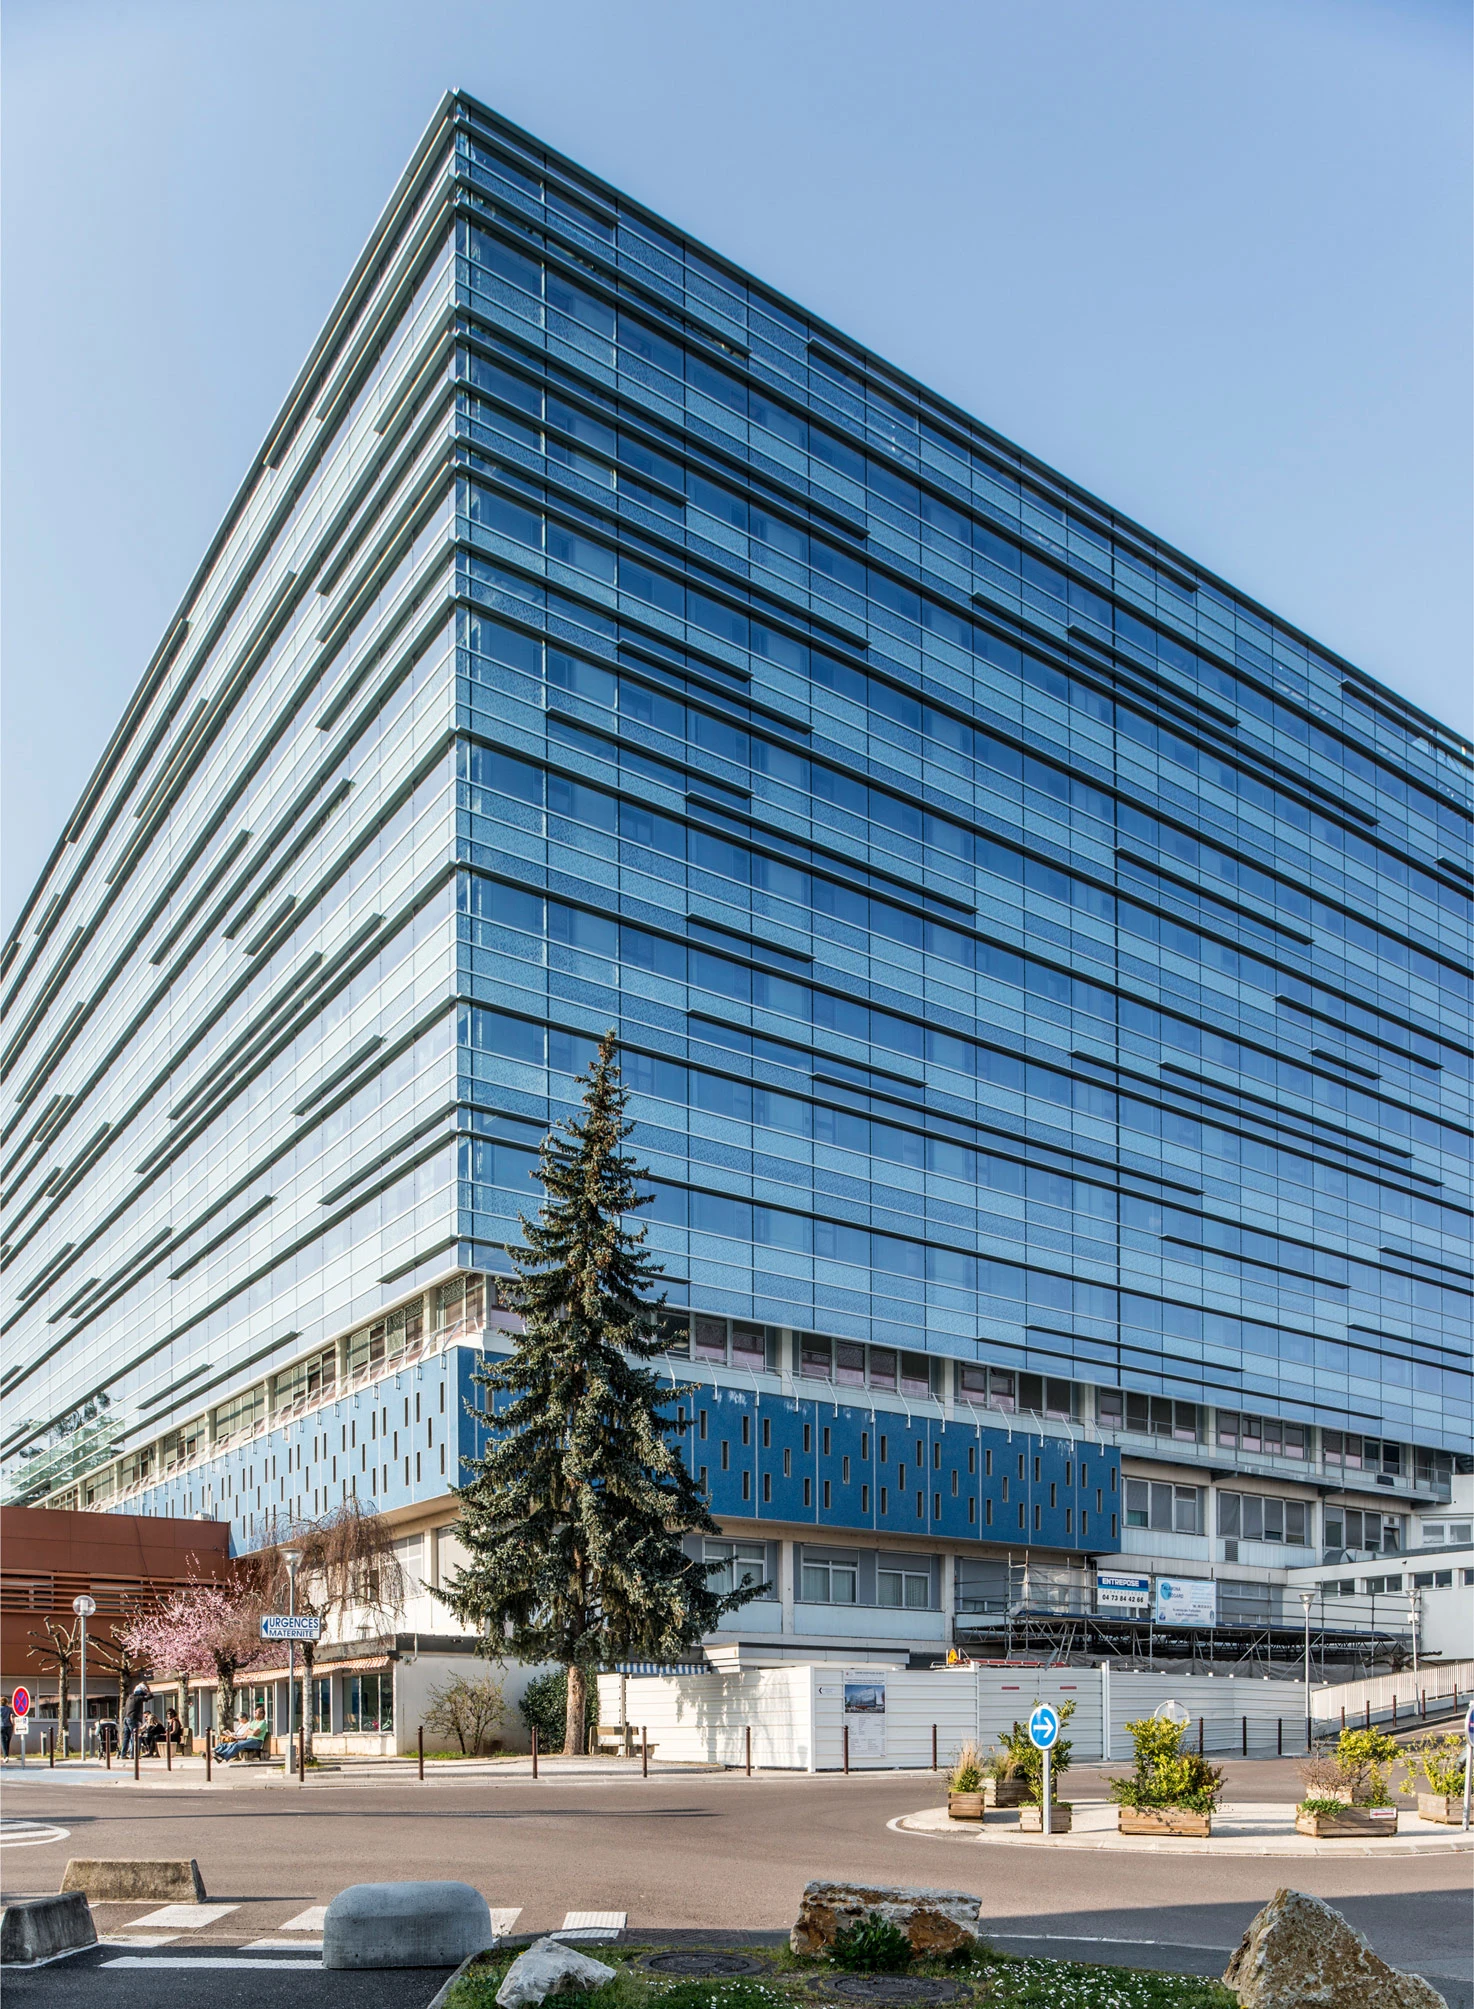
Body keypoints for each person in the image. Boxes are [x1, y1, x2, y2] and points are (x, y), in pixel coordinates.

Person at [120, 1679, 151, 1760]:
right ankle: (133, 1754)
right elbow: (150, 1696)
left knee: (126, 1737)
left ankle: (123, 1754)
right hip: (133, 1718)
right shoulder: (138, 1698)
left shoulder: (129, 1697)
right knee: (135, 1736)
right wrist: (147, 1689)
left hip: (126, 1718)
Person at [0, 1695, 13, 1761]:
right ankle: (7, 1755)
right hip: (9, 1726)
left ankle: (6, 1756)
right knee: (8, 1741)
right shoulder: (10, 1709)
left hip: (1, 1726)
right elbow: (12, 1718)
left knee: (3, 1741)